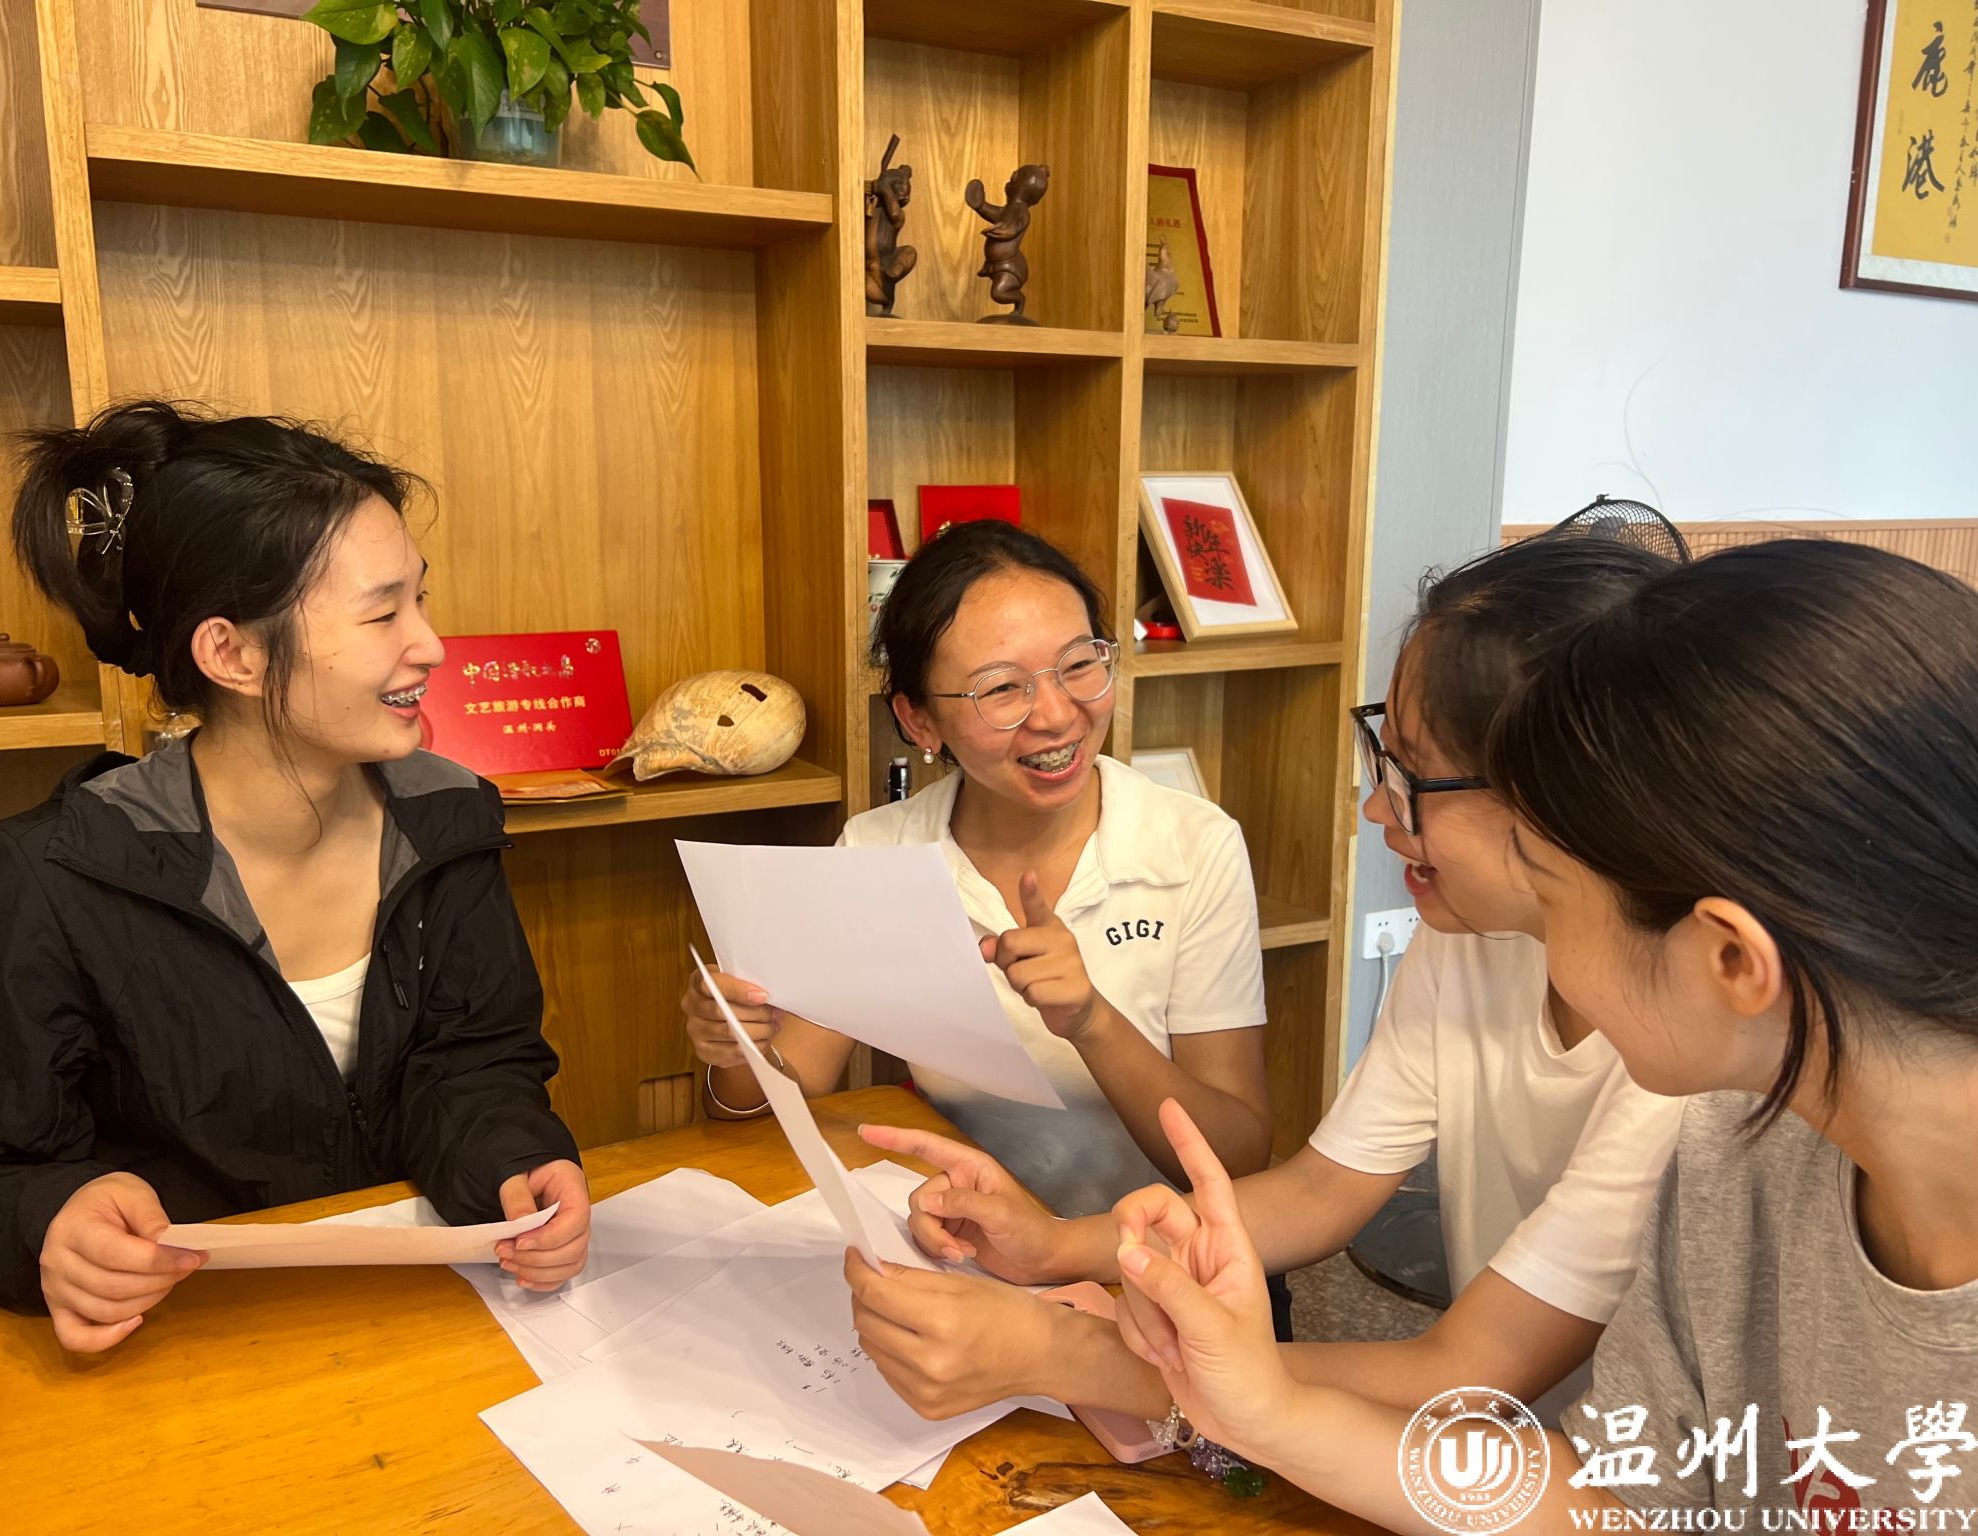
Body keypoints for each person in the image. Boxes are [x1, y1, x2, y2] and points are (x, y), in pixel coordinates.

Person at [1106, 539, 1978, 1527]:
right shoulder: (1739, 1151)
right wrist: (1266, 1411)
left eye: (1554, 899)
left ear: (1730, 960)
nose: (1543, 953)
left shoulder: (1712, 1130)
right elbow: (1621, 1504)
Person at [845, 511, 1688, 1424]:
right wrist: (1053, 1250)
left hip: (1622, 1464)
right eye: (1384, 758)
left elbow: (1461, 1371)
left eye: (1413, 777)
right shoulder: (1465, 938)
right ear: (919, 718)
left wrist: (1063, 1353)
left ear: (1563, 797)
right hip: (1511, 1442)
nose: (1375, 809)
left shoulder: (1685, 1049)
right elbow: (1320, 1191)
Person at [0, 400, 588, 1353]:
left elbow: (476, 1063)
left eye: (421, 598)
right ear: (230, 652)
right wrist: (50, 1225)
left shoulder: (447, 818)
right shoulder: (56, 877)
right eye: (382, 613)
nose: (432, 645)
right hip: (184, 1344)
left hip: (412, 1323)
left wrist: (514, 1159)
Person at [682, 520, 1274, 1221]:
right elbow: (766, 1111)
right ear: (919, 722)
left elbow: (1238, 1156)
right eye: (1001, 688)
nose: (1056, 715)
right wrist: (736, 1048)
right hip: (970, 1247)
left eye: (1079, 664)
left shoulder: (1193, 845)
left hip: (1156, 1255)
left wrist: (1091, 1022)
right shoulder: (881, 855)